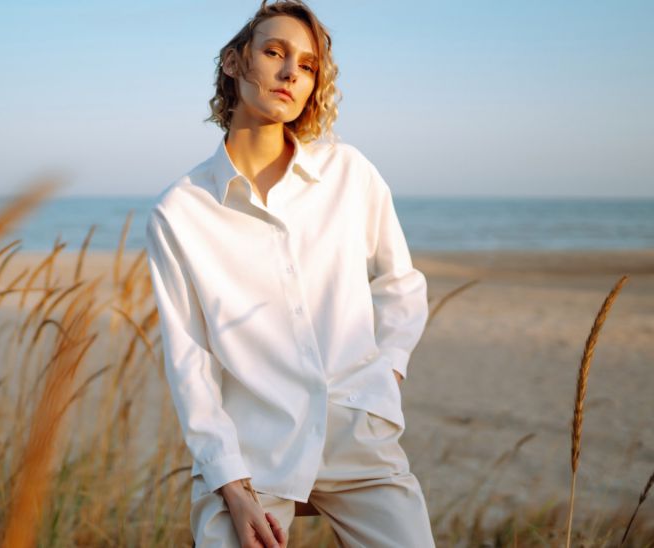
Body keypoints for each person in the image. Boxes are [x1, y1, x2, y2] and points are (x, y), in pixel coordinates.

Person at [144, 1, 436, 546]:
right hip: (252, 455)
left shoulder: (349, 172)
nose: (289, 73)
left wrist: (384, 378)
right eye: (274, 52)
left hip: (358, 434)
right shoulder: (180, 211)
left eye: (306, 65)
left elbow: (400, 284)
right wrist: (231, 486)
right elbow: (189, 362)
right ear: (234, 62)